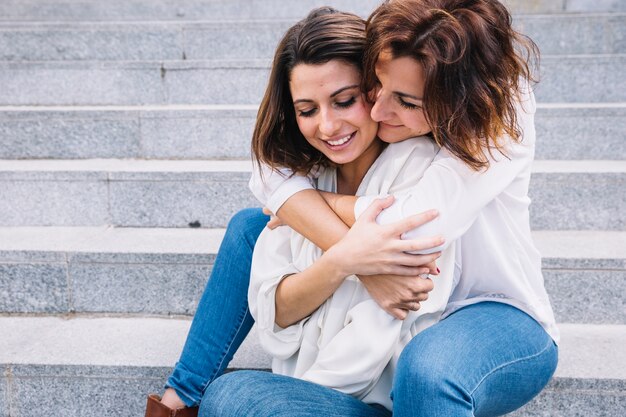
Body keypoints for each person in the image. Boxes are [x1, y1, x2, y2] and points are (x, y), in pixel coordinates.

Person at [146, 0, 559, 415]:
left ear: (456, 94)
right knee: (251, 227)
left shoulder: (494, 117)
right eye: (378, 90)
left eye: (405, 101)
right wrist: (350, 258)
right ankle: (178, 400)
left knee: (428, 369)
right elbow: (267, 173)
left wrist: (304, 202)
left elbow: (403, 231)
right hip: (392, 340)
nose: (380, 111)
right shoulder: (364, 132)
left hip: (494, 309)